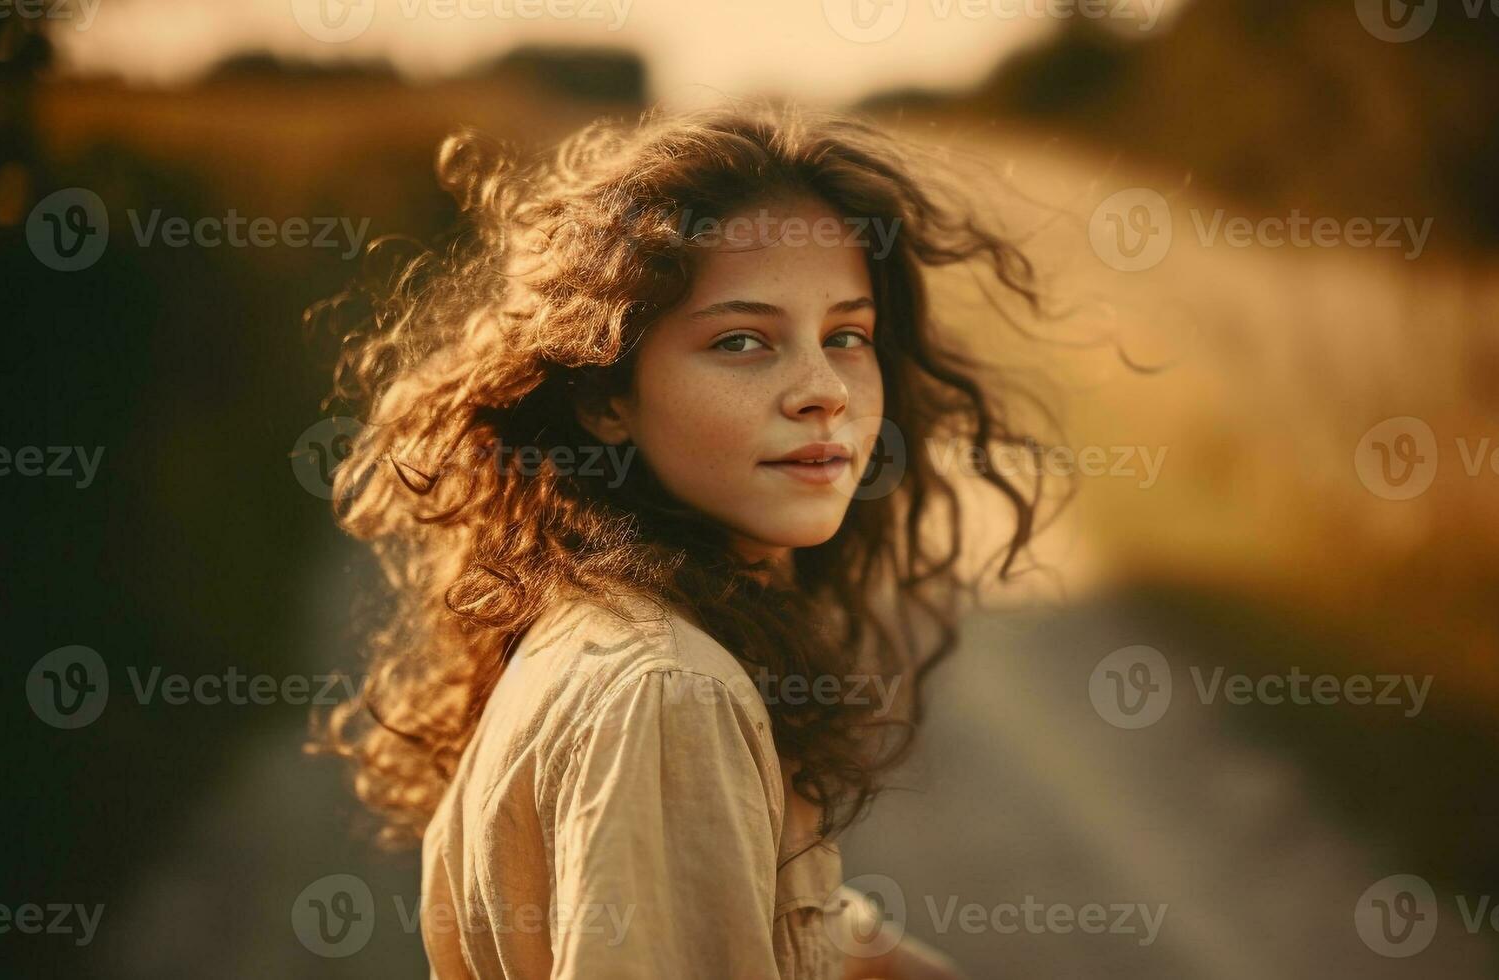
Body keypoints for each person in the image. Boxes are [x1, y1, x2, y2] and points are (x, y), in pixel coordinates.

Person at [312, 99, 1058, 979]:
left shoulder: (610, 631)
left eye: (846, 336)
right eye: (742, 340)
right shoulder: (668, 695)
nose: (824, 390)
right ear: (604, 398)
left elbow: (788, 928)